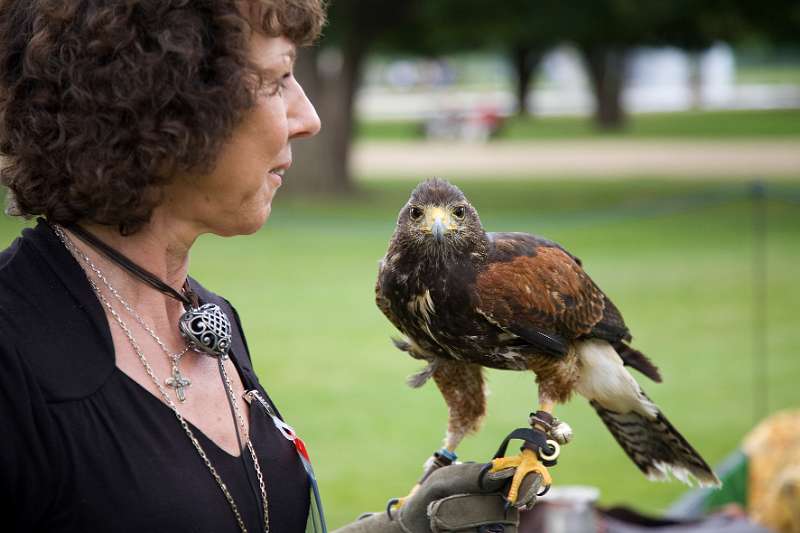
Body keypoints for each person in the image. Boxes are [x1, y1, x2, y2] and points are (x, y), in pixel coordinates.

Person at [0, 1, 528, 532]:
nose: (309, 118)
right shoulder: (12, 349)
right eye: (278, 79)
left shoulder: (204, 316)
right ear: (162, 103)